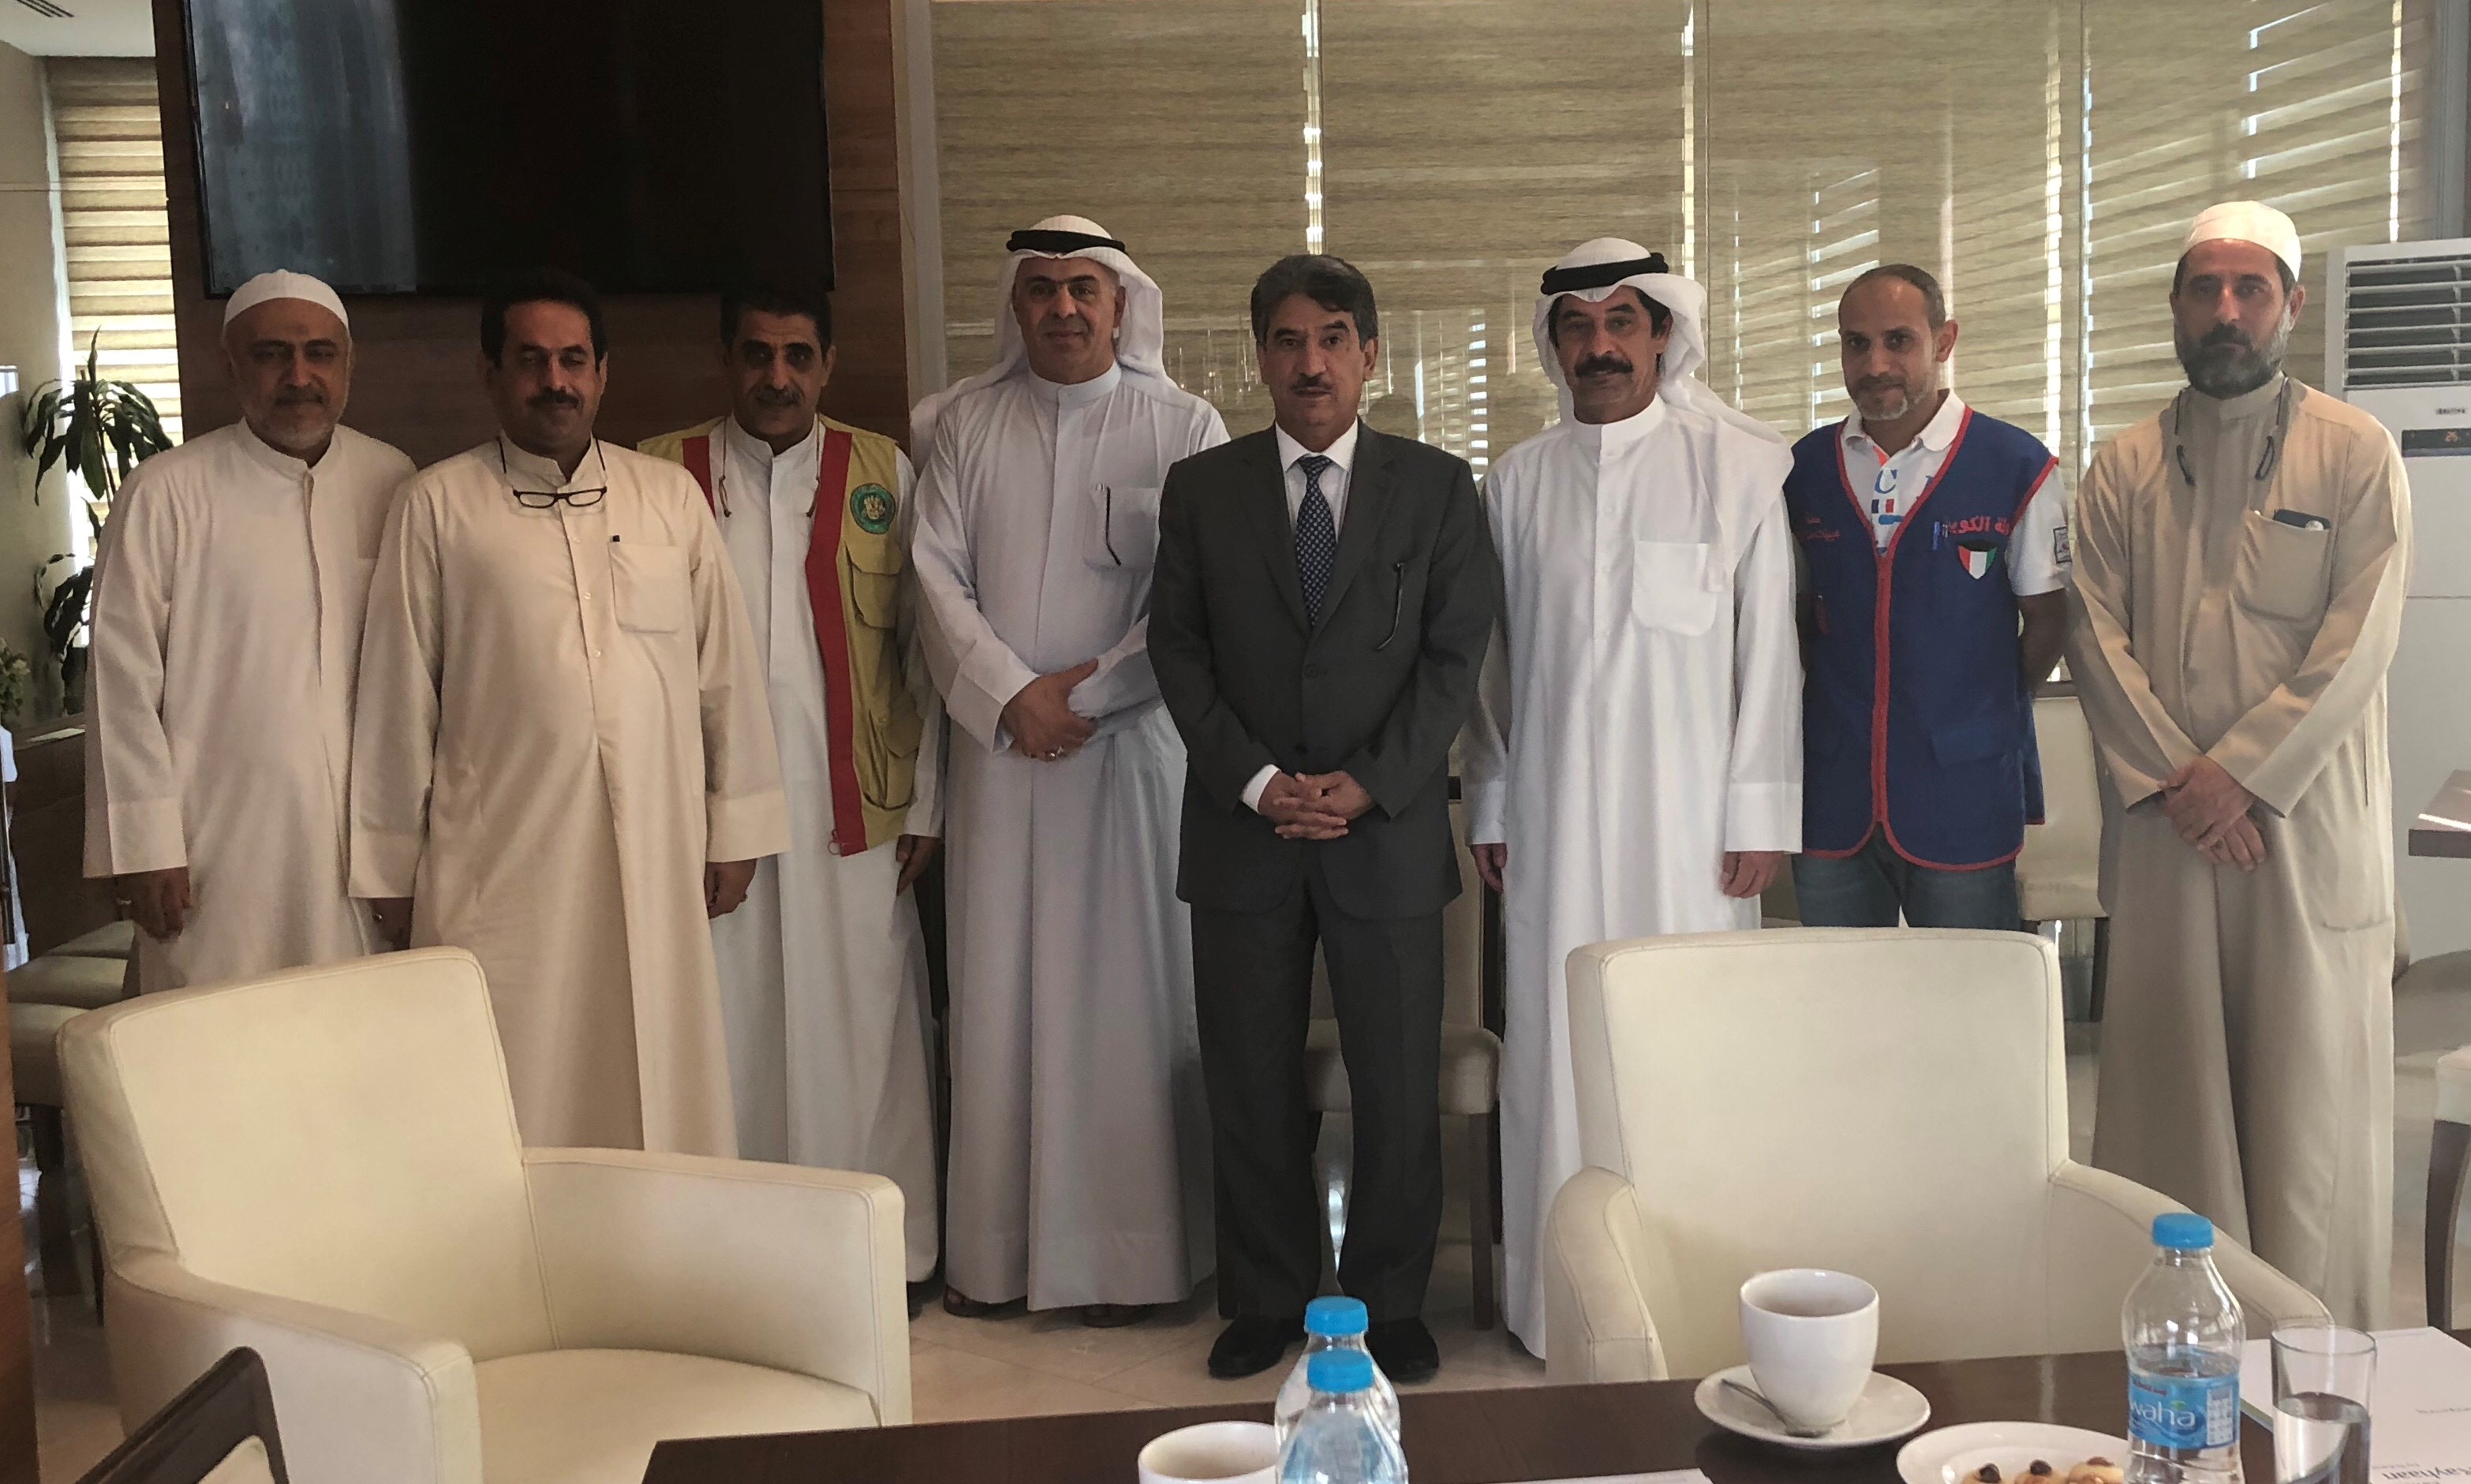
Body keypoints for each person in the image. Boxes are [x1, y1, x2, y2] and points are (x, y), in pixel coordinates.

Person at [1150, 255, 1498, 1384]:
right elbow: (1179, 652)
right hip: (1241, 831)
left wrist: (1371, 781)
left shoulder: (1438, 487)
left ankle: (1390, 1303)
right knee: (1248, 1080)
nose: (1312, 362)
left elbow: (1454, 655)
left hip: (1383, 831)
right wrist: (1258, 781)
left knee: (1396, 1081)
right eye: (1290, 340)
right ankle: (1267, 1296)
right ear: (1260, 358)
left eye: (1334, 338)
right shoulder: (1201, 490)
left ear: (1371, 357)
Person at [351, 269, 788, 1156]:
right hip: (503, 863)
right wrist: (391, 866)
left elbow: (726, 673)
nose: (555, 381)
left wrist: (736, 826)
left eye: (573, 360)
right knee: (518, 1075)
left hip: (657, 851)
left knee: (657, 1058)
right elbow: (399, 695)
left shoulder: (667, 499)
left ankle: (655, 1230)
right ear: (491, 374)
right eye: (531, 361)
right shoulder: (436, 505)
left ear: (602, 373)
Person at [2066, 201, 2407, 1327]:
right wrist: (2186, 780)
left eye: (2250, 288)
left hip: (2299, 836)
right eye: (2204, 288)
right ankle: (2171, 1342)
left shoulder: (2357, 453)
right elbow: (2093, 640)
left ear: (2291, 306)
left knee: (2308, 1114)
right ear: (2174, 306)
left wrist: (2241, 777)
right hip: (2171, 836)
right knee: (2173, 1109)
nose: (2226, 310)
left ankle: (2311, 1356)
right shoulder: (2121, 468)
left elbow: (2360, 642)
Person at [1463, 238, 1801, 1359]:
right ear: (1554, 344)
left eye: (1621, 322)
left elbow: (1770, 657)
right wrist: (1492, 801)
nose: (1599, 345)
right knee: (1557, 1048)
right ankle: (1555, 1307)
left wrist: (1760, 814)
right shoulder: (1515, 483)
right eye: (1578, 325)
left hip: (1692, 832)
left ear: (1663, 334)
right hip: (1552, 822)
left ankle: (1689, 1298)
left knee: (1689, 1049)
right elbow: (1491, 669)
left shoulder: (1739, 469)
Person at [910, 216, 1226, 1325]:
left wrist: (1078, 701)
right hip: (1002, 767)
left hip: (1127, 763)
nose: (1063, 308)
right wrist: (1012, 696)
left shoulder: (1183, 426)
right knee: (998, 999)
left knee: (1127, 1009)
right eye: (1041, 290)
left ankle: (1134, 1266)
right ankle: (997, 1258)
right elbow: (933, 578)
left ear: (1120, 302)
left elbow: (1189, 599)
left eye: (1083, 288)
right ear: (1016, 305)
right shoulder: (962, 426)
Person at [639, 282, 943, 1286]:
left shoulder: (883, 471)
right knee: (725, 1026)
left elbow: (924, 649)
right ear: (726, 358)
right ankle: (738, 1262)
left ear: (828, 364)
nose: (778, 377)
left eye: (798, 356)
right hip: (708, 813)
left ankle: (882, 1259)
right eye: (758, 354)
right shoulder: (659, 474)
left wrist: (929, 802)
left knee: (864, 1027)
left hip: (854, 803)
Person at [86, 270, 412, 992]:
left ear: (348, 364)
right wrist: (144, 844)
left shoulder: (394, 481)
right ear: (230, 366)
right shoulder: (164, 493)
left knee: (362, 1033)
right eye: (271, 355)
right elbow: (121, 680)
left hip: (364, 854)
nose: (299, 377)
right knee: (221, 1039)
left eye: (320, 353)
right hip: (217, 855)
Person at [1785, 264, 2069, 927]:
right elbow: (1793, 617)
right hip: (1833, 789)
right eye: (1856, 344)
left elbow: (2049, 620)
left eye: (1898, 341)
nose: (1876, 364)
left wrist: (1980, 705)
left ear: (1943, 341)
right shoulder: (1804, 471)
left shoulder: (2015, 465)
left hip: (1962, 789)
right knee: (1837, 985)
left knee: (1964, 984)